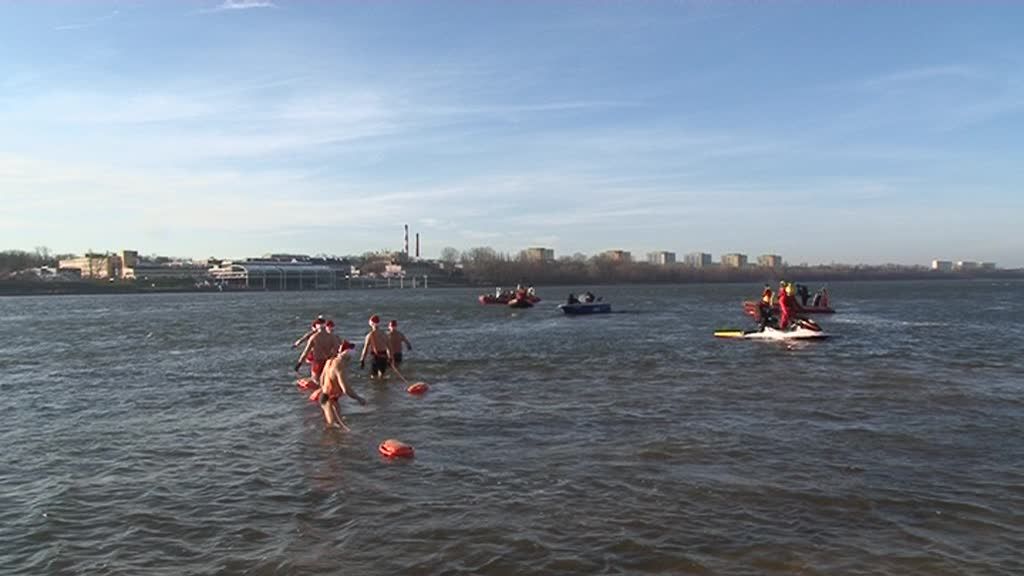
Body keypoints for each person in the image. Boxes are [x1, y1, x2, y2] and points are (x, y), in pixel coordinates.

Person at [318, 340, 366, 429]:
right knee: (332, 428)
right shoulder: (339, 365)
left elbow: (321, 379)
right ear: (346, 352)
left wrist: (326, 388)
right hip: (330, 399)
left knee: (336, 427)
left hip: (327, 397)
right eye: (351, 351)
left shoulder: (330, 361)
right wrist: (359, 399)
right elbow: (346, 389)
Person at [294, 319, 337, 385]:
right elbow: (336, 350)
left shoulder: (314, 337)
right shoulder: (332, 337)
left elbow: (305, 352)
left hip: (317, 362)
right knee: (326, 381)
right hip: (327, 362)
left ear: (316, 326)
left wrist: (299, 364)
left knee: (316, 382)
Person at [359, 314, 391, 380]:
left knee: (374, 375)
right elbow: (389, 347)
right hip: (384, 355)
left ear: (371, 323)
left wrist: (362, 359)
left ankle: (375, 389)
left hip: (375, 356)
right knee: (382, 374)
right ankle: (382, 388)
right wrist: (390, 358)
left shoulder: (370, 335)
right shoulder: (384, 334)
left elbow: (365, 348)